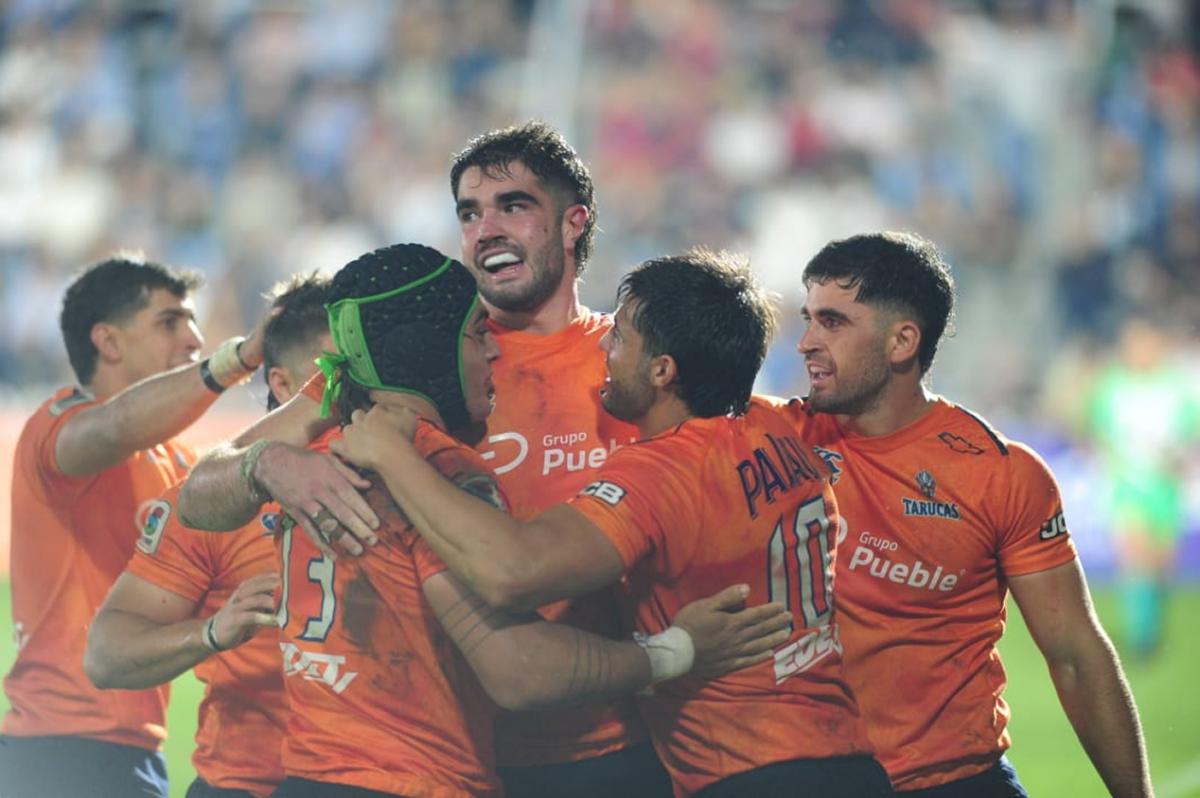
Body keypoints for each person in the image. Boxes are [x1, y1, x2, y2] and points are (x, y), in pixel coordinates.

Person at [178, 121, 666, 797]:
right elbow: (199, 491)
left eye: (513, 206)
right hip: (459, 749)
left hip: (610, 744)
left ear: (573, 222)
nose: (486, 230)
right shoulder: (406, 365)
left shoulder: (631, 364)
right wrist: (269, 463)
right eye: (469, 213)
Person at [331, 249, 891, 798]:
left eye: (619, 338)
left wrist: (394, 455)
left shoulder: (664, 471)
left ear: (662, 371)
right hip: (849, 759)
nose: (602, 345)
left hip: (750, 771)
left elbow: (514, 572)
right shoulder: (777, 426)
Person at [774, 231, 1153, 796]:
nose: (805, 342)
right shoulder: (771, 440)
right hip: (808, 780)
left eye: (832, 322)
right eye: (808, 319)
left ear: (902, 341)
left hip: (955, 781)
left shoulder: (1000, 473)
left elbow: (1075, 654)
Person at [1, 254, 268, 798]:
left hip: (133, 751)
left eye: (192, 321)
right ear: (108, 341)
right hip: (57, 750)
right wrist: (236, 360)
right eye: (169, 322)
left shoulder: (177, 461)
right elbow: (114, 427)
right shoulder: (57, 426)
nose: (195, 338)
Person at [84, 273, 333, 798]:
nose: (360, 392)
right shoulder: (207, 505)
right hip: (246, 785)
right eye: (335, 373)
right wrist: (211, 633)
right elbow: (106, 654)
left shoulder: (417, 475)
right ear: (283, 385)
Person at [1082, 318, 1199, 659]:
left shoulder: (1174, 387)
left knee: (1161, 564)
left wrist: (1175, 456)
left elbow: (1190, 430)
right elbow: (1096, 427)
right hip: (1127, 483)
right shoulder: (1113, 385)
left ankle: (1153, 624)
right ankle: (1141, 639)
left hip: (1164, 485)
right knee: (1135, 556)